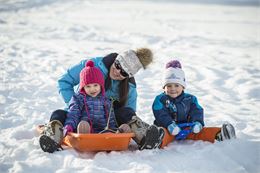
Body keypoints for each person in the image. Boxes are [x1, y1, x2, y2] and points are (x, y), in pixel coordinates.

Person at [39, 48, 164, 153]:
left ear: (128, 76)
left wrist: (120, 129)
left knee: (126, 112)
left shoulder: (129, 88)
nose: (117, 72)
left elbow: (129, 111)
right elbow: (64, 81)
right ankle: (53, 137)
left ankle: (145, 137)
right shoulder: (92, 66)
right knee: (58, 114)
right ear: (116, 60)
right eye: (118, 66)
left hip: (106, 119)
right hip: (80, 114)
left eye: (124, 73)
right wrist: (75, 104)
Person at [152, 60, 236, 148]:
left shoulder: (190, 99)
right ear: (164, 87)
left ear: (183, 86)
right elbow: (161, 114)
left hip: (188, 129)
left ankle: (220, 134)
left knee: (202, 132)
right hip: (168, 130)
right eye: (169, 86)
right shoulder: (160, 99)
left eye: (176, 85)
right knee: (163, 134)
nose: (173, 89)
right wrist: (169, 125)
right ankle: (156, 139)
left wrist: (197, 122)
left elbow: (197, 111)